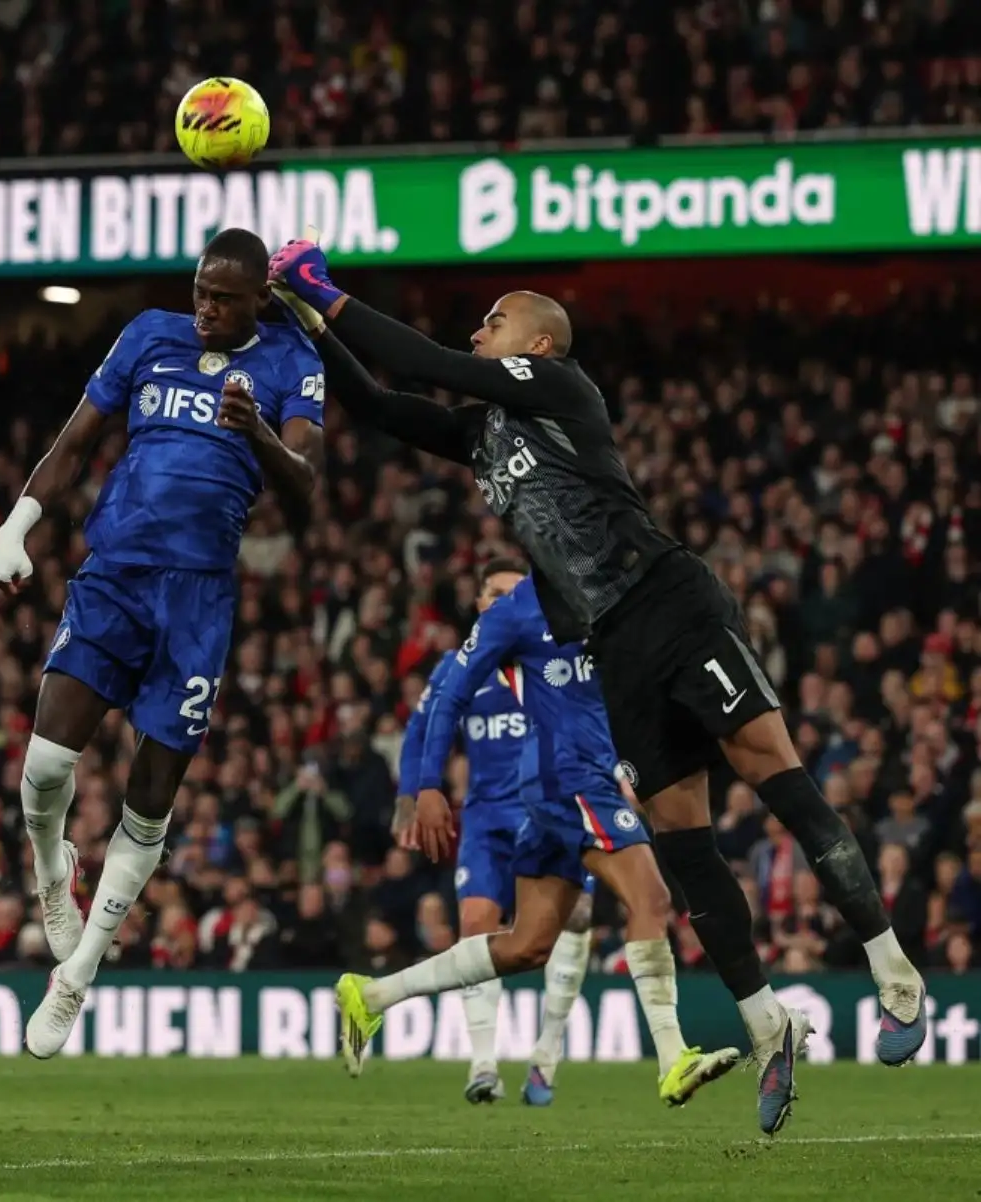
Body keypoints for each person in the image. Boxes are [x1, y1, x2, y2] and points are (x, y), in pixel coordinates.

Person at [268, 241, 925, 1127]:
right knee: (685, 848)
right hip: (615, 646)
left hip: (670, 604)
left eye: (495, 320)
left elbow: (429, 362)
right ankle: (766, 1024)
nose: (479, 330)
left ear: (537, 344)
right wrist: (310, 323)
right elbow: (384, 405)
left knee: (782, 782)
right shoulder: (484, 432)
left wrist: (329, 292)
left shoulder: (560, 389)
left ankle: (895, 973)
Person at [0, 228, 324, 1057]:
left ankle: (78, 974)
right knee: (45, 766)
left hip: (197, 599)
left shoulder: (293, 362)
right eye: (200, 291)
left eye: (224, 299)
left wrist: (258, 433)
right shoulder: (148, 335)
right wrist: (16, 528)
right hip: (114, 574)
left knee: (150, 796)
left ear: (260, 300)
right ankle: (52, 870)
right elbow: (75, 442)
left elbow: (306, 490)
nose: (206, 309)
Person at [337, 572, 741, 1115]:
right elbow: (449, 695)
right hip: (567, 781)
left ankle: (372, 995)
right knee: (651, 898)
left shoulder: (602, 599)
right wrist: (426, 784)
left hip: (564, 786)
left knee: (526, 946)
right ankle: (672, 1057)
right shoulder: (518, 612)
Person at [395, 557, 593, 1106]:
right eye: (496, 594)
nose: (507, 603)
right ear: (480, 603)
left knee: (575, 918)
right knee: (475, 924)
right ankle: (483, 1064)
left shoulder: (553, 657)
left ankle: (547, 1053)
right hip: (485, 817)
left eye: (515, 593)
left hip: (548, 808)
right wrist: (411, 793)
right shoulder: (457, 667)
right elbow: (421, 727)